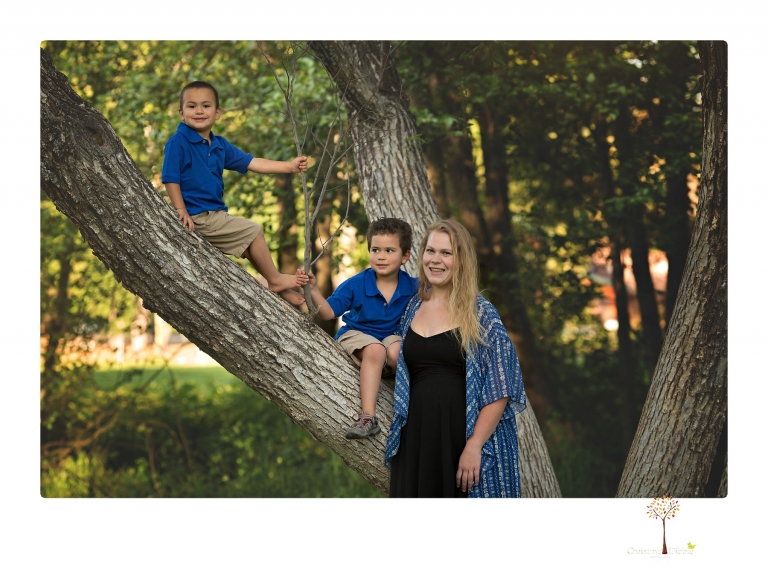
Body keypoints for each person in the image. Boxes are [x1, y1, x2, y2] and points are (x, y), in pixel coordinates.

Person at [385, 219, 527, 497]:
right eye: (430, 251)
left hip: (461, 441)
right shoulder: (412, 306)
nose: (435, 260)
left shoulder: (481, 314)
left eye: (446, 253)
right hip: (416, 439)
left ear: (461, 260)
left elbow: (501, 387)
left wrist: (474, 446)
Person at [161, 80, 309, 306]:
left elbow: (253, 162)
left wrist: (289, 167)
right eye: (192, 106)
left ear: (217, 112)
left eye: (206, 105)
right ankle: (276, 279)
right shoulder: (178, 142)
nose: (199, 111)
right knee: (254, 231)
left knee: (251, 245)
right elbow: (171, 177)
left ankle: (278, 287)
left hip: (214, 215)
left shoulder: (219, 145)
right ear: (181, 113)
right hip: (199, 216)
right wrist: (181, 210)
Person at [309, 218, 420, 439]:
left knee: (400, 351)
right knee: (375, 350)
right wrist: (313, 290)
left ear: (405, 256)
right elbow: (329, 312)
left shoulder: (412, 286)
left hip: (390, 338)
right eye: (375, 249)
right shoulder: (357, 283)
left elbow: (443, 292)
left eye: (389, 250)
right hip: (357, 335)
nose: (380, 256)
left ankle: (410, 405)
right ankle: (368, 417)